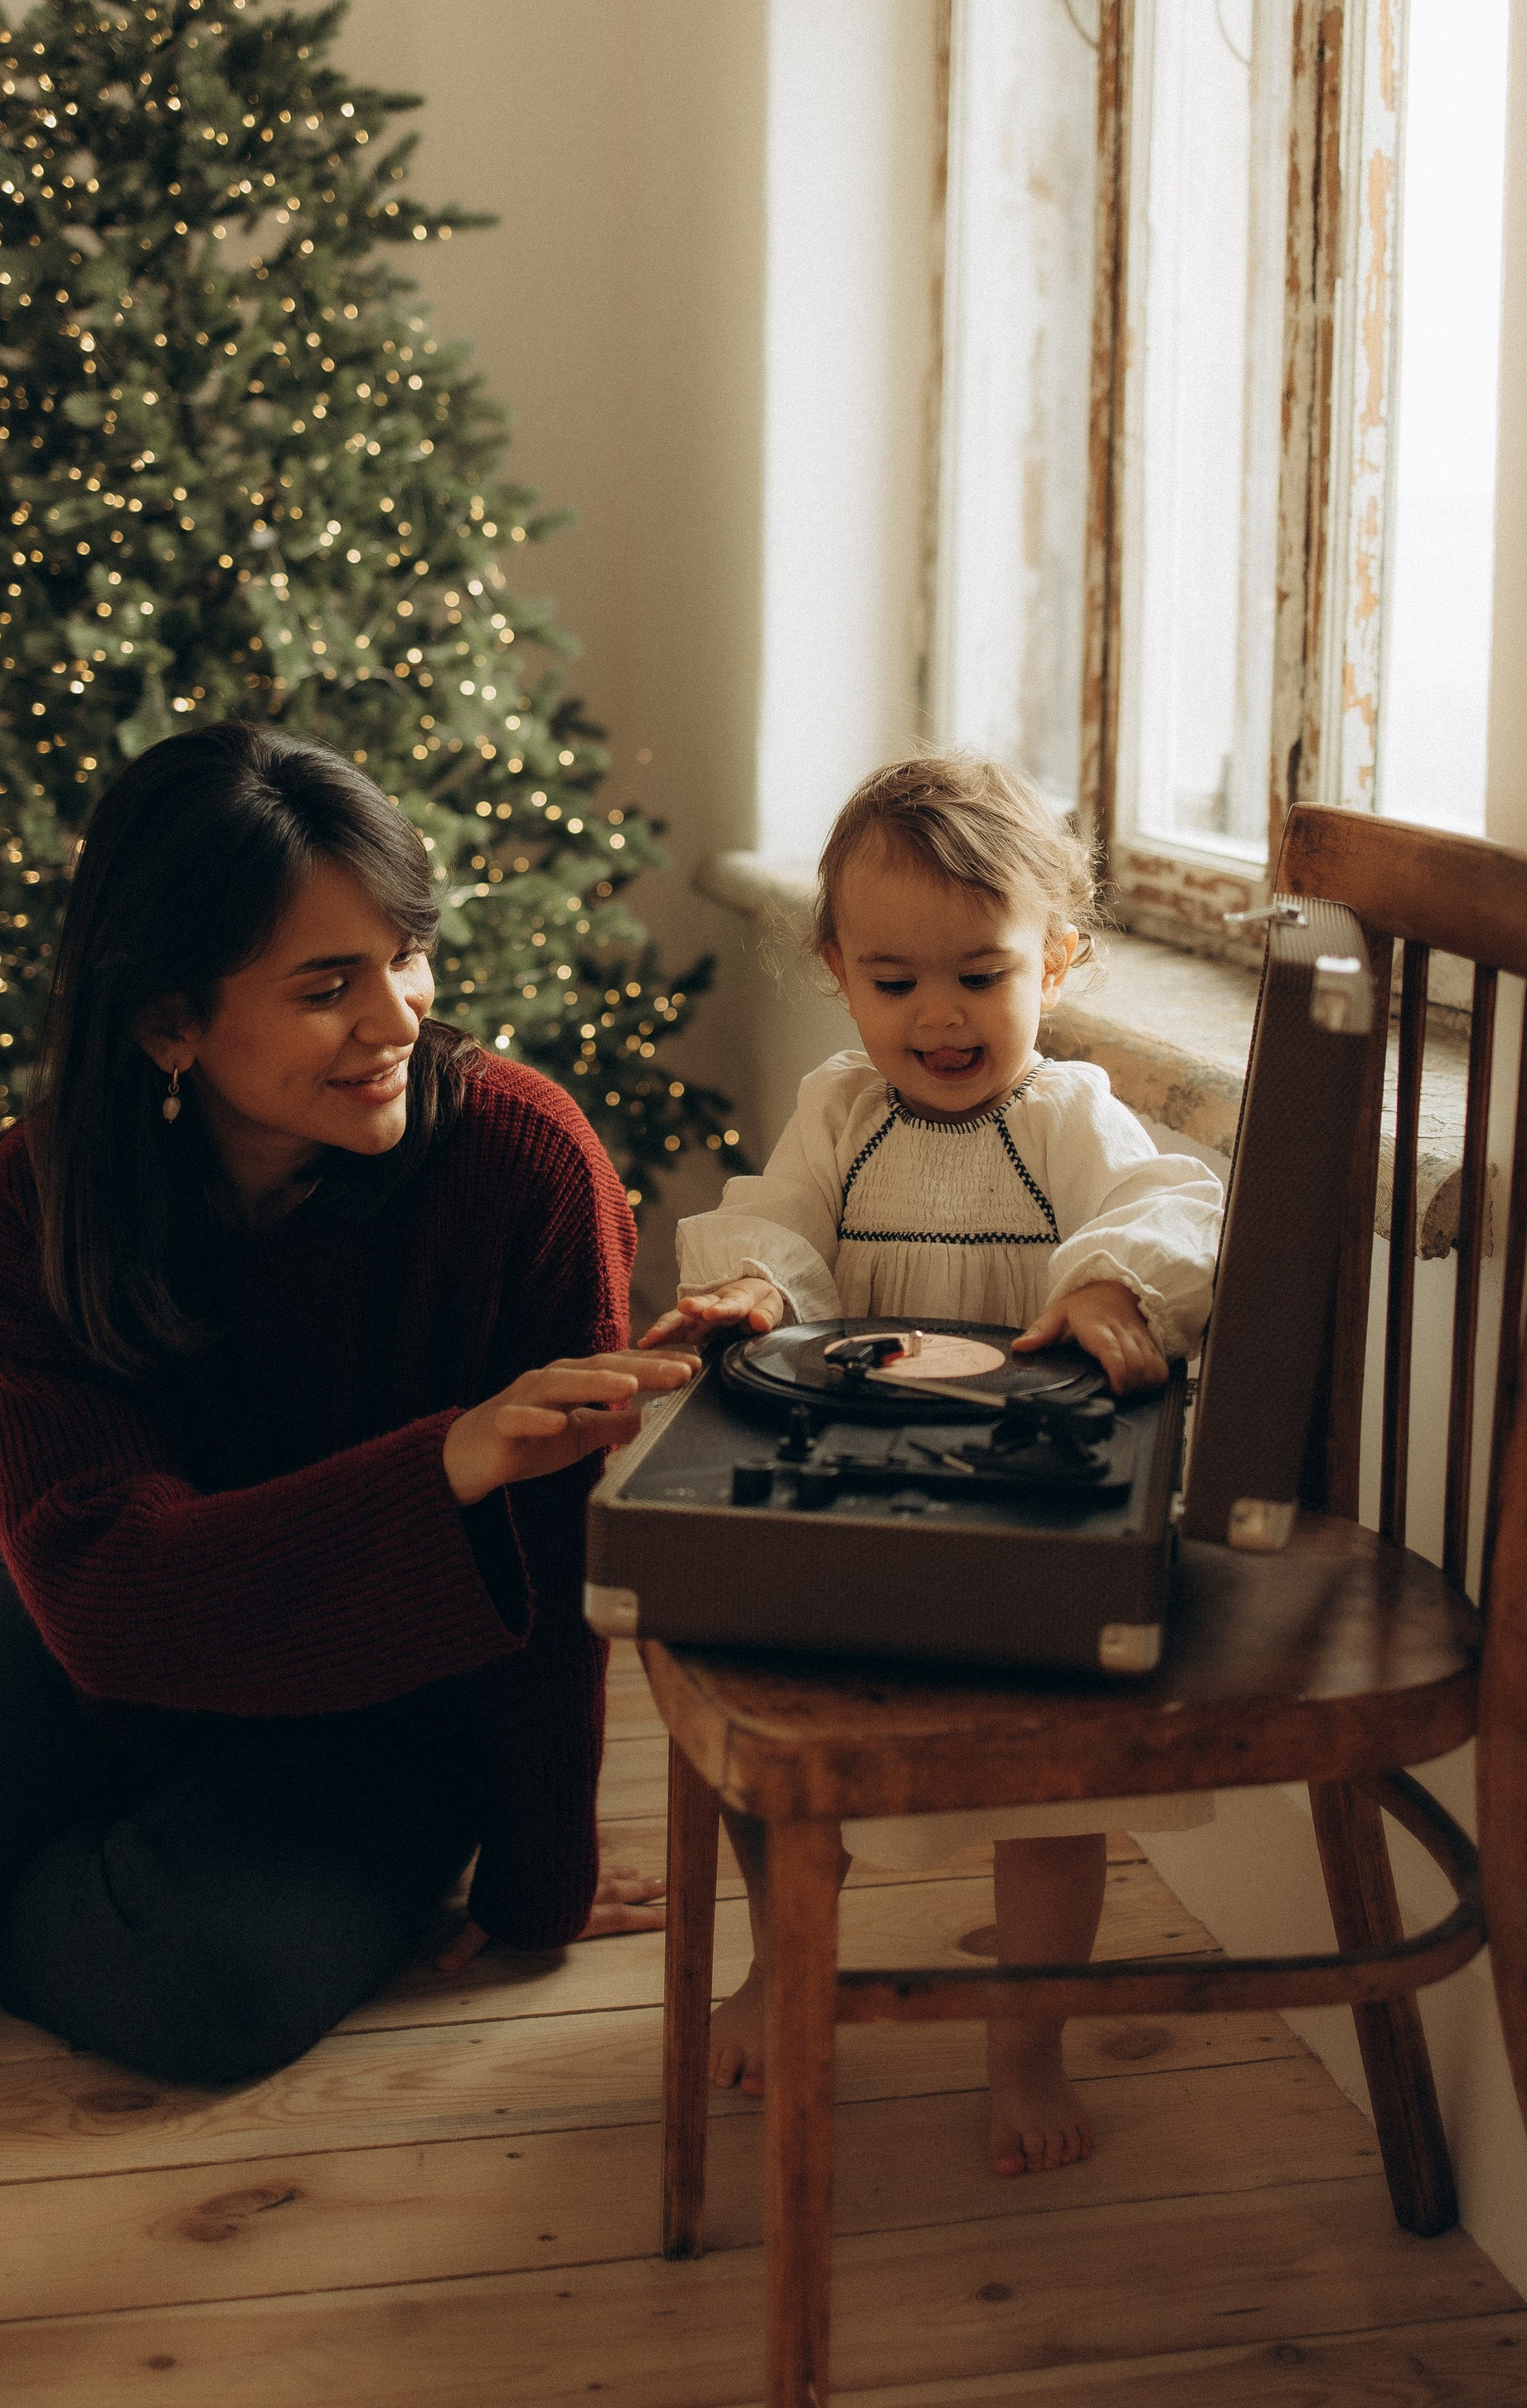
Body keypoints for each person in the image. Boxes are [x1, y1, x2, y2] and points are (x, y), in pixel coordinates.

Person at [0, 721, 698, 2082]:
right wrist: (441, 1463)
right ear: (166, 1021)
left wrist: (537, 1880)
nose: (397, 1020)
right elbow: (100, 1585)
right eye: (328, 987)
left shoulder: (525, 1165)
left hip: (377, 1697)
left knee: (203, 1991)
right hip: (97, 1624)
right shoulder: (35, 1203)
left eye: (407, 958)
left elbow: (555, 1567)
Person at [643, 755, 1223, 2180]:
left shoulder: (1068, 1119)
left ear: (1060, 959)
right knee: (784, 1751)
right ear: (838, 970)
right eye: (895, 981)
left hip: (1024, 1502)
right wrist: (759, 1297)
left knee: (1048, 1790)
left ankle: (1026, 2038)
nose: (941, 1016)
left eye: (982, 973)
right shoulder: (840, 1113)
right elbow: (778, 1222)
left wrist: (1108, 1289)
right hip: (854, 1486)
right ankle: (783, 1968)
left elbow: (1171, 1200)